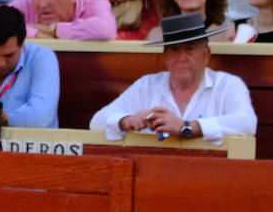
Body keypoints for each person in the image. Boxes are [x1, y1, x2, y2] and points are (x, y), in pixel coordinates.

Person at [90, 11, 256, 144]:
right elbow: (96, 122)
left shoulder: (228, 85)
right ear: (165, 57)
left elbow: (247, 123)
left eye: (189, 49)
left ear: (206, 55)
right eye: (174, 49)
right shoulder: (146, 86)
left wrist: (188, 128)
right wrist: (126, 121)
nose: (181, 57)